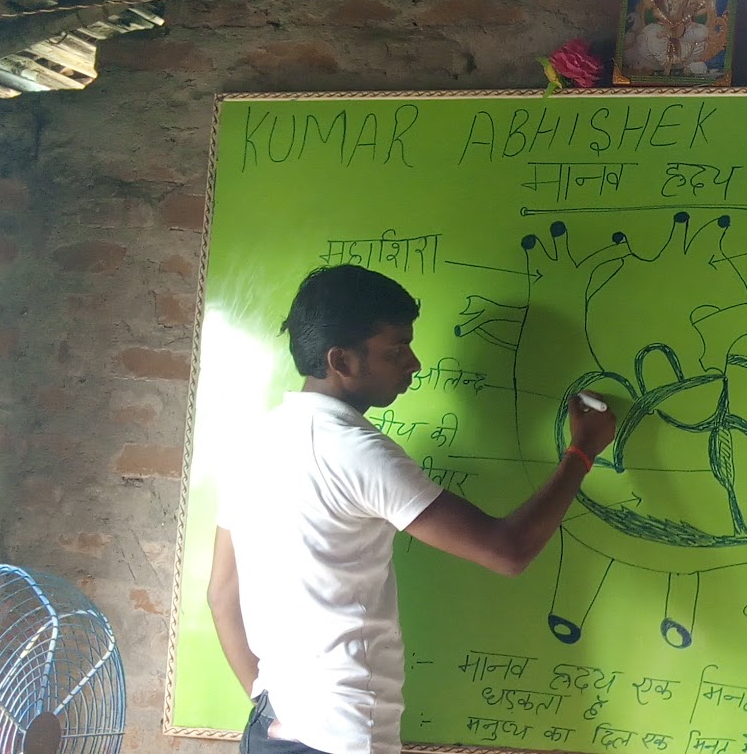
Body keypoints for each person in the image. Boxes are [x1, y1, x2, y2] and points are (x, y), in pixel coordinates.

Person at [207, 264, 617, 754]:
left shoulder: (254, 442)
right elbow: (508, 552)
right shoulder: (355, 450)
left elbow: (221, 595)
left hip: (270, 730)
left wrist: (269, 700)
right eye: (395, 349)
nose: (414, 363)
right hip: (342, 738)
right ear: (341, 360)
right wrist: (582, 451)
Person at [623, 0, 716, 76]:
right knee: (649, 35)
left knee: (702, 33)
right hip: (663, 27)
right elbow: (651, 8)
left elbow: (701, 4)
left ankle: (685, 64)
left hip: (684, 29)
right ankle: (665, 64)